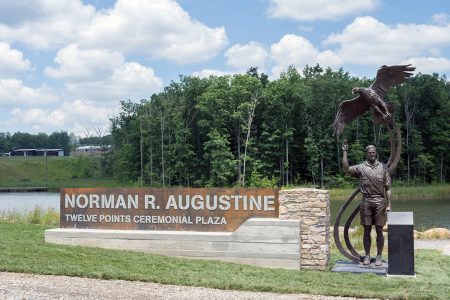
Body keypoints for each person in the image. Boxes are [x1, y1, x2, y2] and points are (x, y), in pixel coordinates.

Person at [342, 141, 391, 267]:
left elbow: (388, 188)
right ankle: (368, 256)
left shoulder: (383, 167)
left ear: (376, 153)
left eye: (374, 152)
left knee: (380, 230)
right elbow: (346, 169)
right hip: (366, 202)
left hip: (380, 202)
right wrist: (345, 152)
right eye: (370, 153)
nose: (372, 154)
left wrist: (389, 204)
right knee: (367, 230)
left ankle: (379, 256)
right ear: (366, 154)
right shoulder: (361, 168)